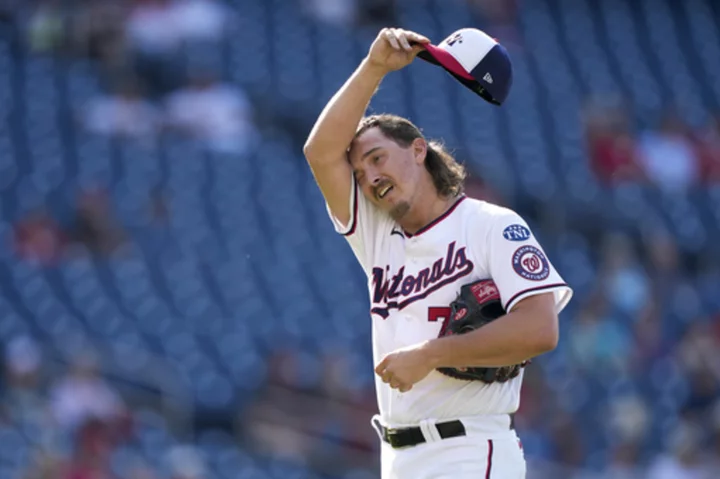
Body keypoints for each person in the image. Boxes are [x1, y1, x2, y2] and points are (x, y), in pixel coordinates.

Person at [303, 27, 573, 479]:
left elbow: (541, 328)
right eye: (360, 170)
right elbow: (320, 152)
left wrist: (431, 354)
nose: (368, 176)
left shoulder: (492, 225)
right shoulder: (375, 234)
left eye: (376, 157)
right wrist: (375, 67)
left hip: (469, 449)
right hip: (398, 456)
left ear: (417, 149)